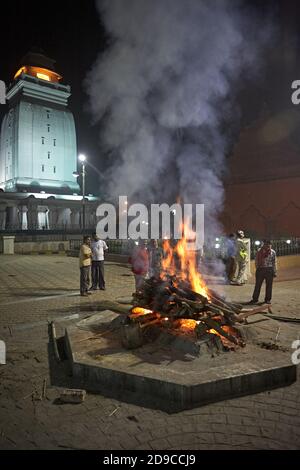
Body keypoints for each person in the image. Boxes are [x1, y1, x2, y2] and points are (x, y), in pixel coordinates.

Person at [248, 240, 277, 305]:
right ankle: (255, 299)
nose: (268, 246)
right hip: (261, 269)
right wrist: (258, 268)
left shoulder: (273, 252)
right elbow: (256, 260)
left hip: (269, 270)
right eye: (266, 245)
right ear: (264, 245)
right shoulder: (259, 251)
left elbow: (274, 262)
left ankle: (267, 299)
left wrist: (274, 271)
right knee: (258, 285)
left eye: (269, 245)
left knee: (269, 286)